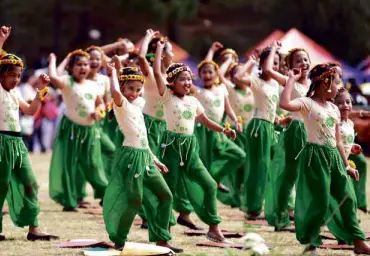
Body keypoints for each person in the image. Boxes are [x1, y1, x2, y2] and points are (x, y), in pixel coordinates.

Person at [280, 63, 370, 255]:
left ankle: (358, 241)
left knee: (348, 198)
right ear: (326, 83)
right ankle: (311, 243)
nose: (339, 88)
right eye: (337, 83)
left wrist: (347, 166)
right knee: (320, 201)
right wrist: (290, 79)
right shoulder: (307, 103)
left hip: (335, 158)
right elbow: (285, 104)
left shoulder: (333, 108)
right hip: (315, 157)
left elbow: (338, 141)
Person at [154, 41, 236, 242]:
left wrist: (224, 129)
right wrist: (158, 51)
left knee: (209, 185)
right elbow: (157, 72)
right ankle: (163, 237)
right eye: (182, 79)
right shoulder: (167, 97)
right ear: (172, 82)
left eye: (189, 79)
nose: (188, 82)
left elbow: (206, 122)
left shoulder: (193, 101)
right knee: (168, 192)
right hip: (171, 147)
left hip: (191, 148)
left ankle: (214, 229)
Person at [103, 64, 182, 252]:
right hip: (130, 157)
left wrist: (155, 159)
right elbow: (114, 90)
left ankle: (162, 240)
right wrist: (113, 71)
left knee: (166, 196)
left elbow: (143, 135)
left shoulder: (138, 104)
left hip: (146, 157)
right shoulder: (120, 104)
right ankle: (119, 239)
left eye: (138, 89)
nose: (134, 93)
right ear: (122, 88)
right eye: (130, 88)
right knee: (135, 201)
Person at [0, 25, 58, 241]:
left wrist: (40, 91)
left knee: (31, 183)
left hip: (17, 144)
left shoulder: (15, 93)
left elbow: (31, 111)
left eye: (18, 75)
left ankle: (34, 228)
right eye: (11, 75)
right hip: (1, 142)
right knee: (1, 186)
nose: (16, 79)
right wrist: (2, 42)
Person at [48, 50, 108, 212]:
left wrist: (99, 112)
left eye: (85, 64)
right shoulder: (67, 82)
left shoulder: (93, 85)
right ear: (71, 68)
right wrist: (54, 59)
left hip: (89, 130)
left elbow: (101, 104)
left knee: (92, 164)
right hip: (71, 130)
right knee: (68, 165)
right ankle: (69, 201)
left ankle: (107, 194)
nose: (83, 68)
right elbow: (53, 77)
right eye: (79, 64)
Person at [263, 43, 311, 229]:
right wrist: (274, 49)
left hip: (313, 132)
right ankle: (281, 215)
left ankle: (306, 214)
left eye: (305, 59)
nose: (303, 63)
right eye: (298, 60)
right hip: (296, 131)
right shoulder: (288, 80)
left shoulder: (314, 82)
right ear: (291, 66)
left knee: (309, 174)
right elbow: (267, 68)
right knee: (291, 174)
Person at [233, 46, 281, 219]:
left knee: (272, 165)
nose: (274, 66)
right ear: (262, 64)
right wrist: (251, 61)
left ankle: (271, 204)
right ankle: (253, 208)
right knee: (258, 168)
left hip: (270, 126)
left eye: (277, 63)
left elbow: (271, 106)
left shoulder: (275, 83)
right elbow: (237, 77)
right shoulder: (256, 80)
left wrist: (277, 118)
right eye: (270, 62)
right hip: (258, 127)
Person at [335, 87, 369, 213]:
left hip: (344, 161)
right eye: (340, 103)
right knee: (341, 195)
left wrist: (352, 146)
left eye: (348, 102)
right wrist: (347, 166)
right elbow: (335, 142)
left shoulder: (349, 123)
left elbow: (344, 141)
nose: (345, 105)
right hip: (336, 163)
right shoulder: (334, 122)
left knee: (347, 197)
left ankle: (348, 221)